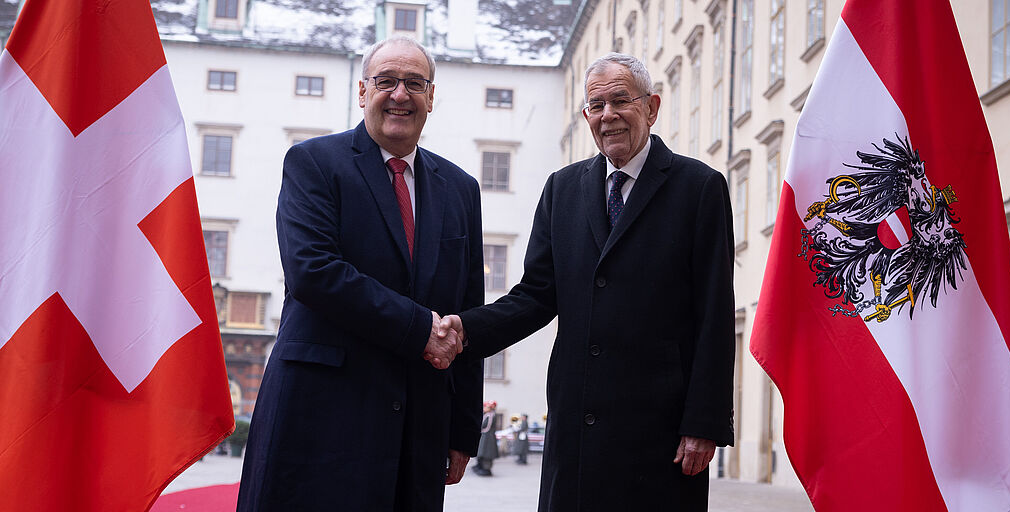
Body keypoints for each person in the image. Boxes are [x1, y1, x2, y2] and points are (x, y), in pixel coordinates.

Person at [441, 53, 735, 511]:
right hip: (578, 425)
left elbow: (715, 312)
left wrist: (705, 422)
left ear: (652, 107)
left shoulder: (698, 187)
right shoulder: (562, 189)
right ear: (585, 117)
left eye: (621, 100)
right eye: (596, 106)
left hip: (660, 431)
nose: (608, 115)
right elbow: (536, 295)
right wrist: (465, 330)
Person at [237, 36, 484, 512]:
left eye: (414, 83)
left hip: (417, 424)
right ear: (361, 91)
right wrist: (420, 329)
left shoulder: (460, 189)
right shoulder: (313, 162)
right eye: (386, 81)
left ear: (431, 97)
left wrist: (461, 428)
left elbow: (466, 311)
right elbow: (313, 271)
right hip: (321, 417)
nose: (399, 94)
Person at [473, 401, 499, 476]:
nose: (484, 408)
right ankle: (481, 466)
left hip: (488, 437)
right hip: (485, 436)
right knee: (482, 453)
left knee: (487, 454)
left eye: (486, 407)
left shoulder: (490, 415)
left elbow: (485, 426)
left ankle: (486, 469)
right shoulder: (487, 415)